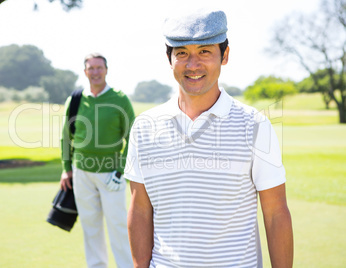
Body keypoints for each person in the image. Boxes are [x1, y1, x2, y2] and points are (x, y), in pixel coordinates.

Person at [125, 10, 294, 268]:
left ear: (224, 56)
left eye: (205, 51)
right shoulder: (144, 127)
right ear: (169, 58)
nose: (193, 64)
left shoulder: (255, 125)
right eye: (182, 53)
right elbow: (140, 211)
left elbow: (275, 213)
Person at [60, 53, 135, 268]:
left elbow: (133, 136)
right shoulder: (75, 100)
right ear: (85, 72)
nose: (95, 72)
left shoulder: (119, 99)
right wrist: (66, 168)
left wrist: (120, 170)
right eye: (91, 68)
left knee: (118, 225)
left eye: (99, 68)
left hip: (111, 173)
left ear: (106, 70)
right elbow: (66, 136)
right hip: (81, 172)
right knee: (90, 226)